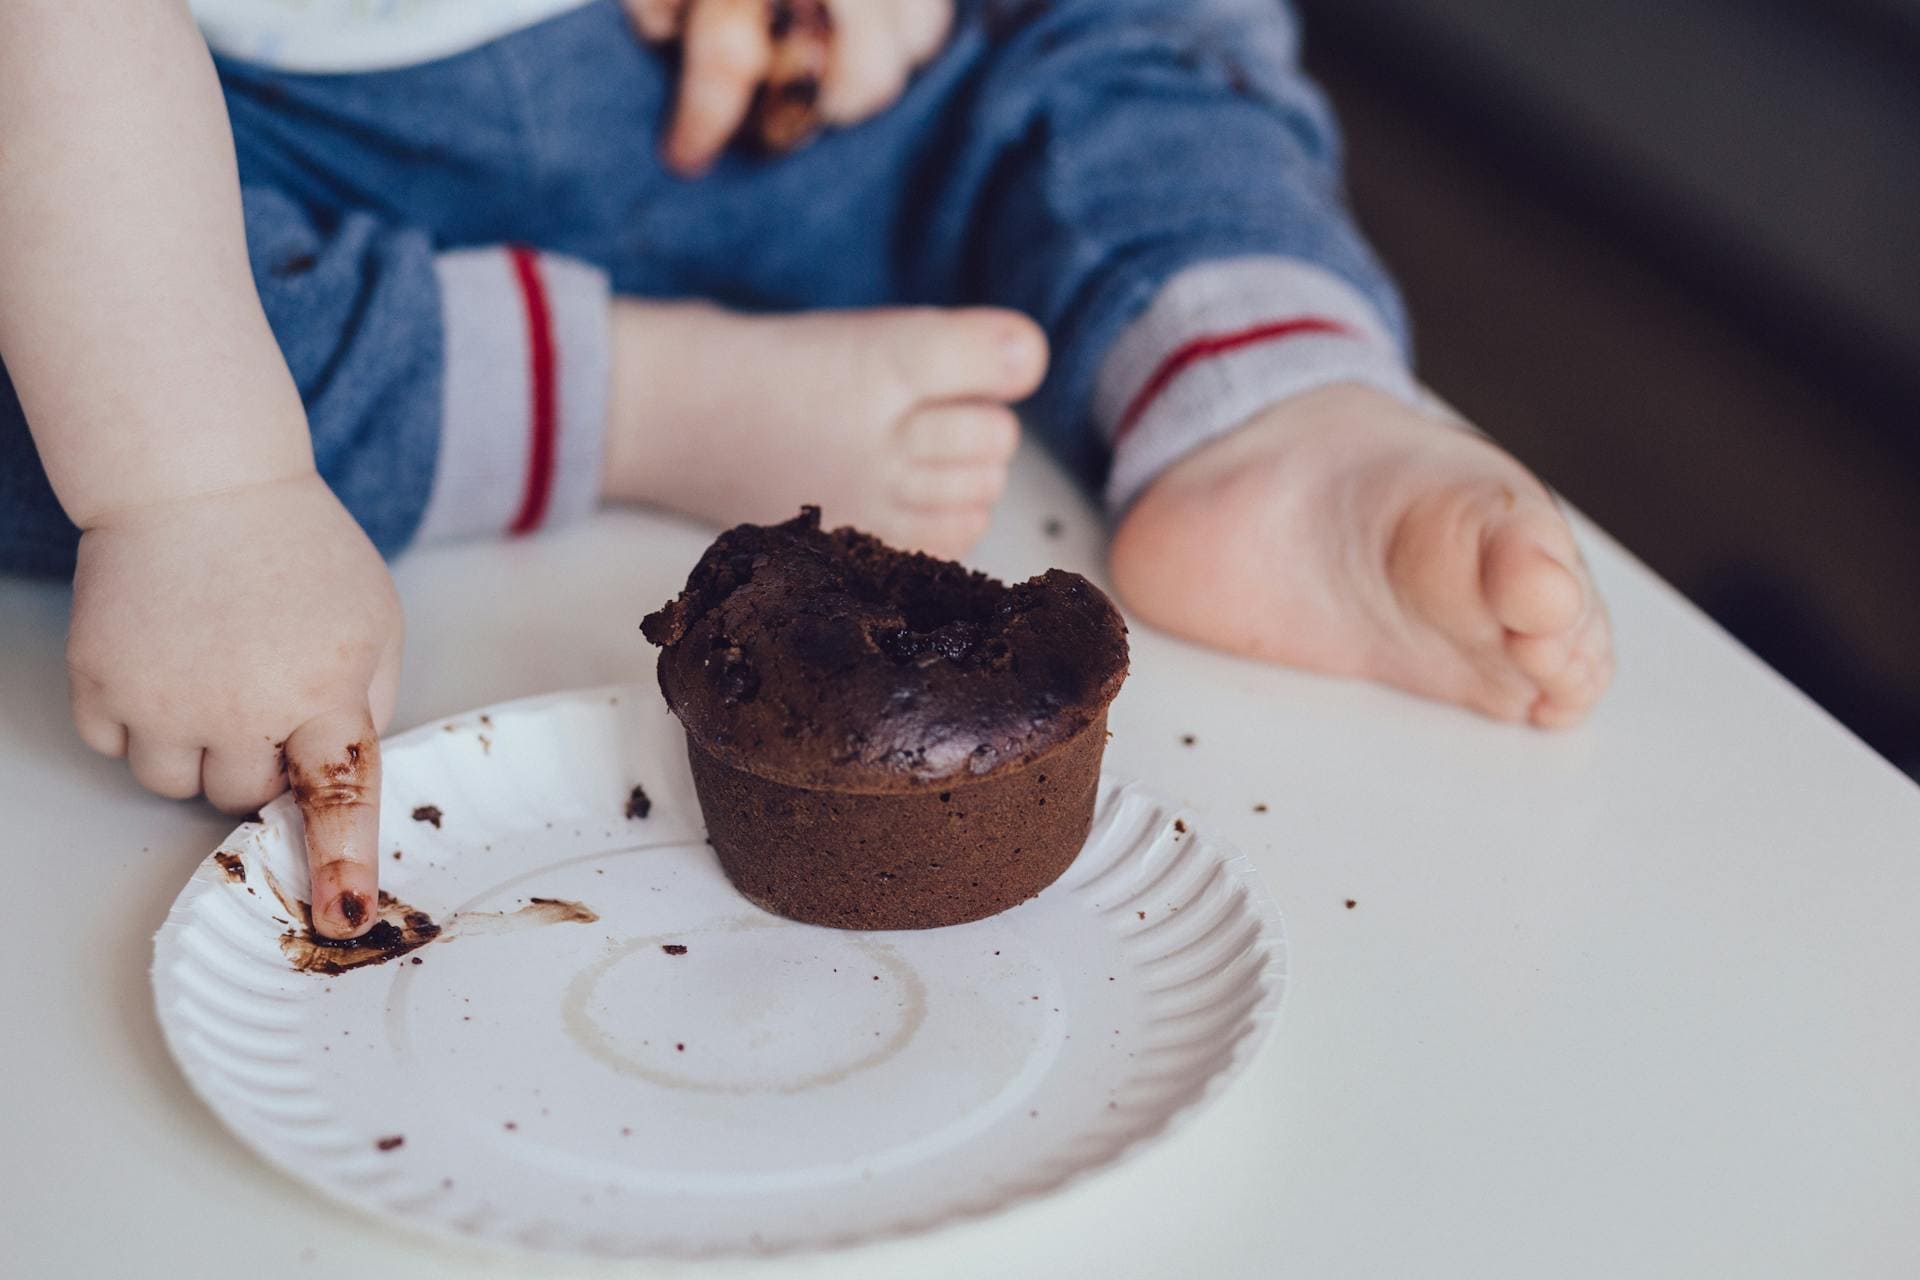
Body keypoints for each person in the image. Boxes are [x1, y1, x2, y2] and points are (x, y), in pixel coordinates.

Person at [0, 0, 1612, 939]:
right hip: (228, 178)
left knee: (1132, 31)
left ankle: (1258, 393)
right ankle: (641, 393)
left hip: (805, 99)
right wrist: (199, 488)